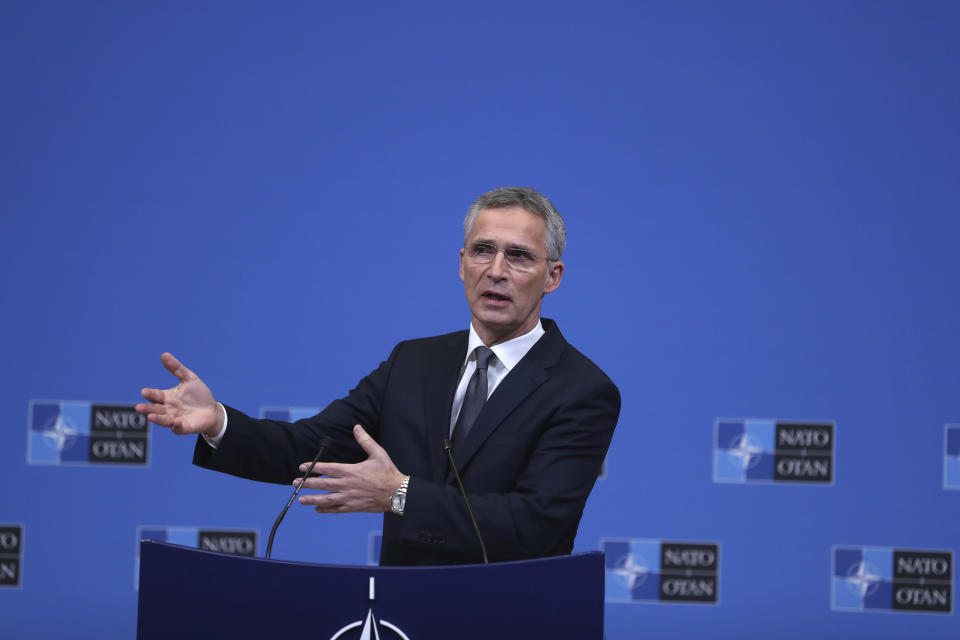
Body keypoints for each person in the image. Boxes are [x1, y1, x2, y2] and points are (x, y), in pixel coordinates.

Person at [136, 186, 620, 566]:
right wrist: (219, 421)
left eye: (518, 256)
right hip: (400, 615)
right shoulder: (414, 362)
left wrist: (400, 494)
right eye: (482, 250)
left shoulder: (581, 389)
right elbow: (310, 447)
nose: (495, 270)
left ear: (552, 276)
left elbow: (537, 526)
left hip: (507, 619)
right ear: (460, 263)